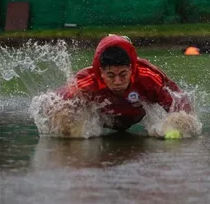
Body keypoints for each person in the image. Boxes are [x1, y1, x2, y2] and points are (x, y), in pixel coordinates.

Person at [59, 34, 192, 132]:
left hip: (136, 116)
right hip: (103, 119)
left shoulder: (148, 76)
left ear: (131, 69)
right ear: (101, 72)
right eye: (111, 75)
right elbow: (56, 102)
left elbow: (180, 103)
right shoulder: (85, 81)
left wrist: (178, 124)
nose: (117, 82)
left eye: (123, 75)